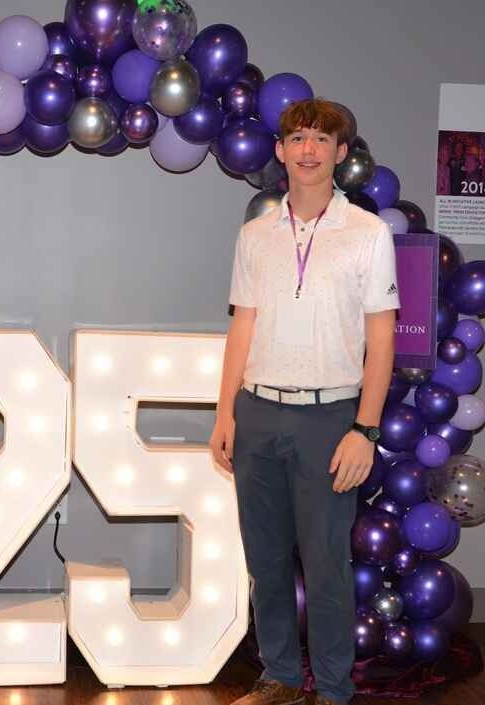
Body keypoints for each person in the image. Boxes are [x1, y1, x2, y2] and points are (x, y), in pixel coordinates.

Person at [210, 99, 399, 705]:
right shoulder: (255, 236)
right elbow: (242, 326)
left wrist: (364, 430)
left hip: (330, 420)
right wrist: (224, 413)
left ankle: (335, 691)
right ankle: (282, 677)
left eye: (321, 138)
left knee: (325, 569)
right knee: (265, 561)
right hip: (258, 411)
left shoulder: (368, 234)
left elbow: (383, 337)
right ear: (280, 151)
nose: (309, 149)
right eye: (298, 138)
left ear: (341, 153)